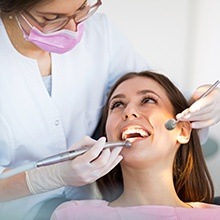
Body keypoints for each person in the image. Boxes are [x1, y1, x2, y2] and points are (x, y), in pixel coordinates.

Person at [0, 0, 219, 219]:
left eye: (81, 10)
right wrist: (49, 176)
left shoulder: (99, 35)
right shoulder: (72, 215)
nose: (73, 29)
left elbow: (147, 86)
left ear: (182, 130)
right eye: (51, 18)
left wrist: (195, 101)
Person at [51, 71, 220, 220]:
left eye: (147, 100)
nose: (128, 111)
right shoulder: (73, 215)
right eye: (117, 105)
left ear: (182, 131)